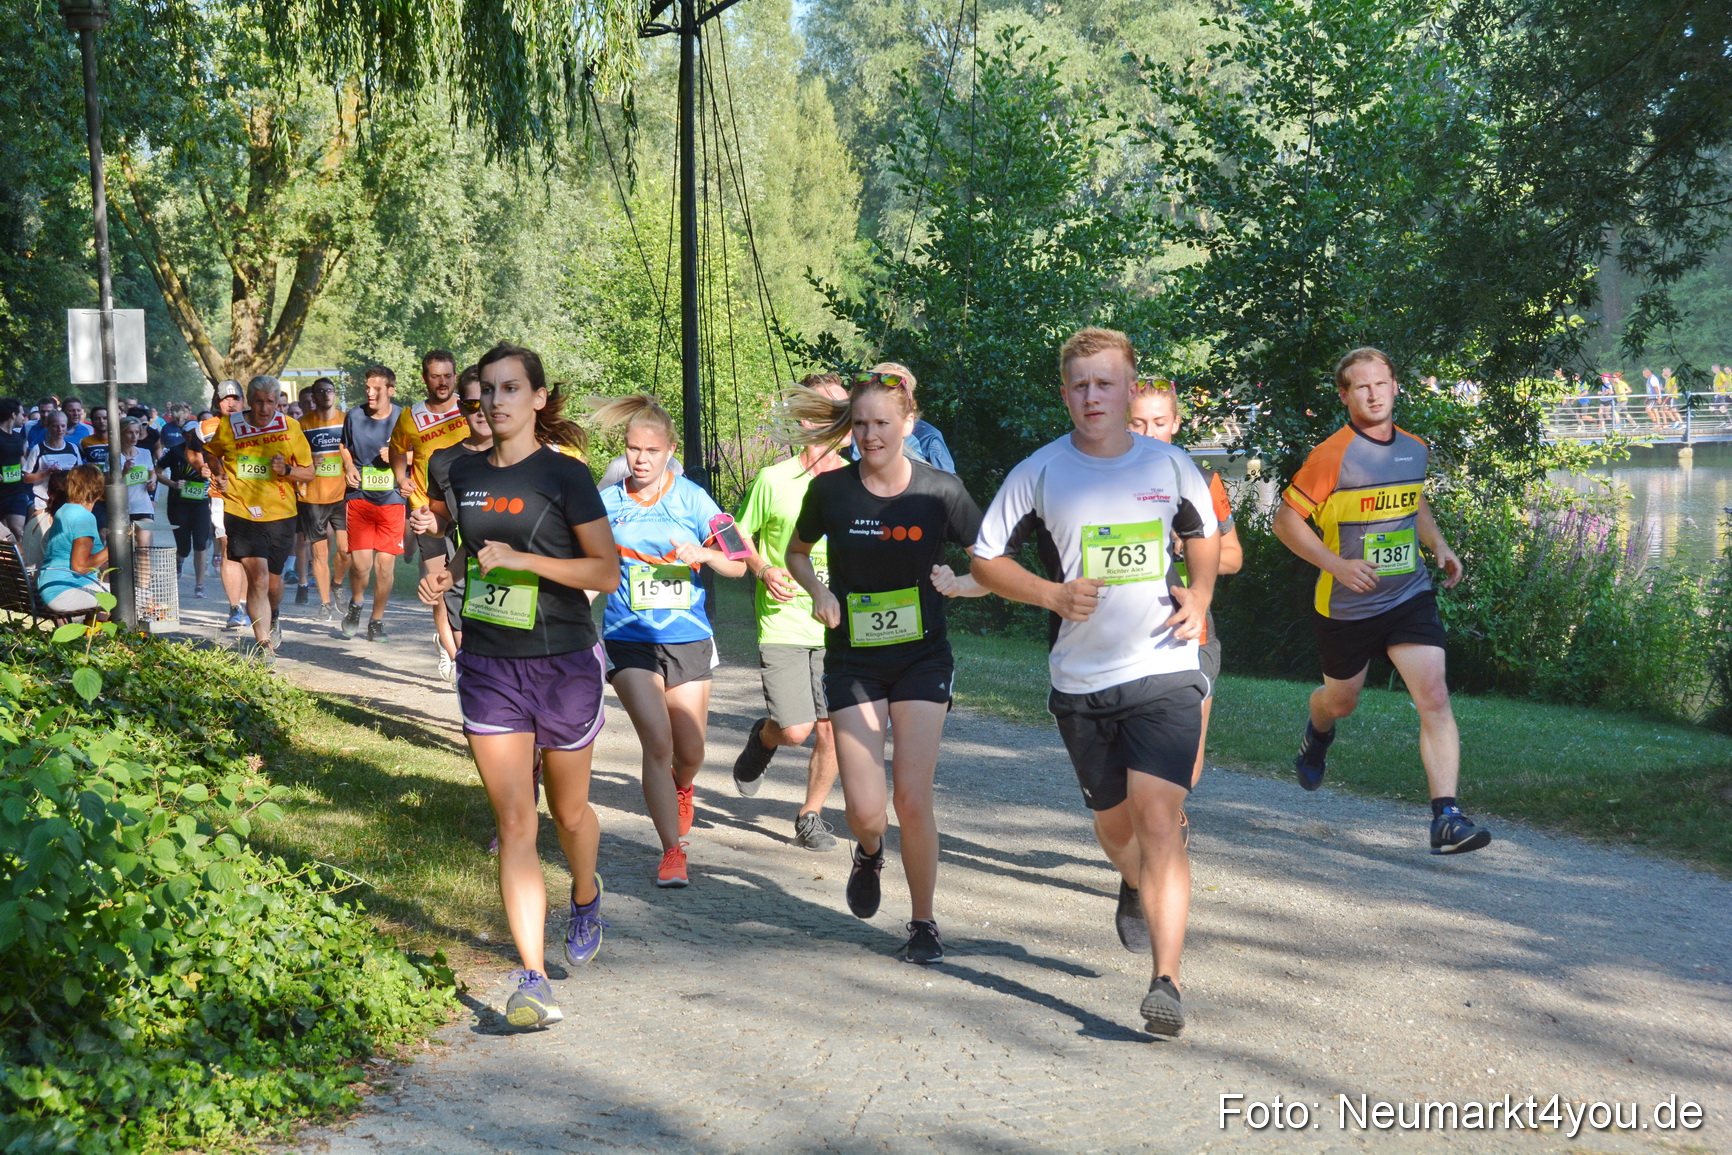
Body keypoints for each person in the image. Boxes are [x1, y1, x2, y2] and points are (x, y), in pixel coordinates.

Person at [972, 328, 1220, 1035]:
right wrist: (1049, 595)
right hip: (1080, 682)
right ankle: (1137, 881)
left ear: (1129, 385)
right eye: (1080, 385)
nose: (1092, 396)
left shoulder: (1170, 465)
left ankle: (1166, 981)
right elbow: (987, 558)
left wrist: (1199, 594)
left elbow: (1203, 533)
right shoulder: (1040, 471)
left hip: (1165, 664)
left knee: (1158, 817)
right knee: (1116, 826)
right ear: (1065, 394)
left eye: (1105, 383)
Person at [415, 343, 617, 1030]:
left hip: (563, 661)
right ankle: (531, 977)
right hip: (491, 662)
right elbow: (453, 548)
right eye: (487, 391)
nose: (495, 401)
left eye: (510, 388)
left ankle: (585, 894)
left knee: (569, 813)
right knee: (515, 821)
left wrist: (522, 559)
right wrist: (439, 576)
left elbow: (605, 574)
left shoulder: (566, 478)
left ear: (536, 398)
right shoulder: (460, 471)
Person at [779, 370, 986, 965]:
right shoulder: (832, 492)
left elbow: (994, 562)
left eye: (882, 424)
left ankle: (924, 923)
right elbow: (796, 551)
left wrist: (962, 583)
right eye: (861, 424)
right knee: (865, 810)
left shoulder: (942, 491)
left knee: (912, 798)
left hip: (923, 658)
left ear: (908, 425)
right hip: (854, 660)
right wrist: (818, 590)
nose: (870, 435)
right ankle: (868, 851)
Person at [1273, 346, 1490, 858]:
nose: (1373, 394)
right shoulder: (1332, 455)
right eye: (1361, 386)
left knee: (1433, 695)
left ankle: (1446, 818)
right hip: (1346, 607)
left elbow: (1411, 499)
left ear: (1395, 387)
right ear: (1345, 395)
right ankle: (1318, 727)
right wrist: (1337, 565)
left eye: (1381, 383)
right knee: (1341, 701)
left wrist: (1438, 544)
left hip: (1407, 594)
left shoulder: (1414, 448)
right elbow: (1284, 521)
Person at [593, 394, 747, 888]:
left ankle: (684, 787)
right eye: (633, 449)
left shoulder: (694, 499)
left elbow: (738, 563)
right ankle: (671, 851)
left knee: (691, 751)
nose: (641, 459)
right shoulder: (608, 501)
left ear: (670, 451)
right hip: (627, 634)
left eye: (652, 451)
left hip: (687, 637)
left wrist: (703, 551)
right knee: (657, 742)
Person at [729, 372, 849, 851]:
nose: (843, 421)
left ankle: (810, 815)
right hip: (783, 619)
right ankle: (764, 737)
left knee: (832, 727)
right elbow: (735, 535)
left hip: (839, 625)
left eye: (846, 411)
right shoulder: (773, 480)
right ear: (805, 419)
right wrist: (762, 568)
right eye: (831, 411)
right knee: (796, 730)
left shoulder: (857, 482)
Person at [1128, 379, 1243, 799]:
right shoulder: (1100, 476)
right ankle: (1148, 841)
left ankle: (1166, 825)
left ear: (1176, 423)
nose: (1148, 433)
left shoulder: (1201, 479)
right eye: (1137, 423)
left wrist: (1190, 552)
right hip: (1125, 632)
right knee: (1128, 762)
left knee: (1185, 766)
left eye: (1159, 422)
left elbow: (1232, 556)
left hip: (1190, 632)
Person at [203, 375, 314, 659]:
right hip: (241, 510)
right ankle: (263, 643)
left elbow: (309, 472)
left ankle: (273, 613)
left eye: (270, 402)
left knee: (274, 584)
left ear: (278, 402)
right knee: (259, 577)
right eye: (258, 402)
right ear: (249, 402)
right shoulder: (230, 425)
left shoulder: (291, 428)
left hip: (281, 513)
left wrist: (286, 471)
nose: (264, 409)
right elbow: (212, 454)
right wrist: (219, 474)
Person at [413, 365, 492, 683]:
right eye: (472, 404)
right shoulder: (444, 460)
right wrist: (427, 520)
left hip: (514, 577)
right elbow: (442, 521)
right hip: (461, 570)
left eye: (488, 400)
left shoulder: (526, 456)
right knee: (473, 667)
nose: (482, 411)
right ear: (462, 408)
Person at [392, 350, 468, 672]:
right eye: (435, 376)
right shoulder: (411, 416)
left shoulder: (471, 408)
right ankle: (454, 657)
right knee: (439, 584)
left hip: (467, 508)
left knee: (466, 586)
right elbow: (398, 450)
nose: (442, 382)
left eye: (448, 375)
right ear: (424, 378)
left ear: (455, 376)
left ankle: (461, 647)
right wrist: (399, 477)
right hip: (427, 510)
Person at [339, 366, 404, 641]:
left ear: (390, 390)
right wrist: (347, 467)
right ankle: (356, 604)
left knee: (385, 566)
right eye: (367, 388)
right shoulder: (354, 415)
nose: (370, 393)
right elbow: (344, 446)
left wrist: (399, 455)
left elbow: (420, 453)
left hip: (392, 499)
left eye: (376, 388)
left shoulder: (404, 418)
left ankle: (376, 621)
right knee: (361, 565)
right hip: (360, 497)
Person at [189, 380, 253, 627]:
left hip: (255, 496)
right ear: (218, 402)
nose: (231, 403)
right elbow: (192, 451)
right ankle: (235, 608)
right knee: (229, 547)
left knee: (250, 551)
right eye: (225, 399)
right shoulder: (206, 427)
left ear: (243, 400)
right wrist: (200, 466)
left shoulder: (254, 423)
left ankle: (249, 603)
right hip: (221, 496)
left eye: (235, 398)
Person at [295, 376, 347, 620]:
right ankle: (325, 603)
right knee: (319, 554)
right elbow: (291, 457)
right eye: (321, 392)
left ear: (334, 395)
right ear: (313, 398)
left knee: (346, 551)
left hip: (342, 494)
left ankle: (337, 584)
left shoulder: (346, 421)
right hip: (313, 497)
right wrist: (306, 461)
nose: (326, 395)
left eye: (330, 391)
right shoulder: (302, 424)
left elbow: (355, 452)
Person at [35, 464, 110, 617]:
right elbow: (80, 567)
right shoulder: (83, 517)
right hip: (65, 591)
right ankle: (124, 639)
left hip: (50, 587)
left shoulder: (64, 510)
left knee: (117, 590)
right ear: (97, 489)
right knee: (134, 595)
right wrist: (114, 547)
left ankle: (95, 637)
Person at [157, 422, 213, 597]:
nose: (192, 436)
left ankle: (199, 585)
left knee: (200, 543)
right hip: (178, 504)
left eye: (195, 433)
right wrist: (173, 483)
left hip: (201, 504)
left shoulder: (208, 451)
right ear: (183, 434)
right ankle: (179, 560)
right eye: (189, 433)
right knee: (183, 547)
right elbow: (157, 472)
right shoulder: (175, 451)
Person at [21, 411, 83, 514]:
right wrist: (46, 474)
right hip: (43, 501)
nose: (60, 430)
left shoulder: (73, 448)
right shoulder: (38, 449)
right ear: (48, 427)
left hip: (68, 500)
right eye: (55, 426)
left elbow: (80, 475)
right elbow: (26, 478)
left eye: (63, 426)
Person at [0, 399, 28, 542]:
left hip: (17, 490)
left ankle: (22, 563)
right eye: (22, 414)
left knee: (17, 529)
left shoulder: (19, 437)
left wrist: (28, 473)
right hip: (1, 491)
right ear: (13, 415)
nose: (24, 417)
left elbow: (21, 458)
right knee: (4, 535)